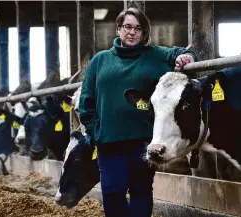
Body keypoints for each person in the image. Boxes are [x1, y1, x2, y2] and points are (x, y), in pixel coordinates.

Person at [78, 7, 197, 217]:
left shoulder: (154, 55)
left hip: (142, 142)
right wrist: (94, 130)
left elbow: (181, 53)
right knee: (112, 193)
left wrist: (186, 57)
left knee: (141, 191)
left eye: (138, 28)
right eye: (127, 27)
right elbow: (87, 100)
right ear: (118, 30)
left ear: (143, 33)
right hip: (109, 141)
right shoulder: (100, 60)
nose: (132, 32)